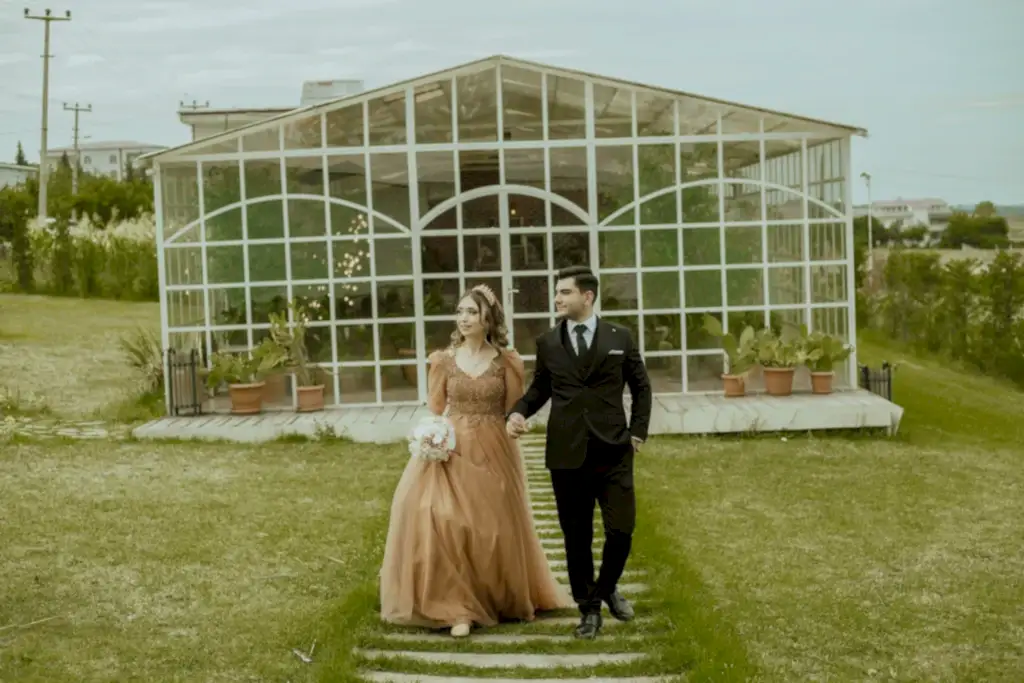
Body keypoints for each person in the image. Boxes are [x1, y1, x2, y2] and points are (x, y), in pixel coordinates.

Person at [379, 284, 572, 638]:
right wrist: (432, 436)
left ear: (488, 319)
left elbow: (514, 408)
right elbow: (436, 407)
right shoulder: (443, 361)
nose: (464, 318)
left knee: (491, 527)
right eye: (460, 312)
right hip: (452, 447)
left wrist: (517, 423)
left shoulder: (507, 361)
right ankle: (457, 608)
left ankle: (492, 596)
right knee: (442, 519)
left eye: (471, 312)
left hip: (495, 447)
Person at [506, 265, 653, 640]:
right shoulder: (548, 342)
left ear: (587, 296)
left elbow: (641, 387)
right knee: (576, 538)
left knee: (621, 530)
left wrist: (637, 432)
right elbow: (540, 389)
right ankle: (589, 610)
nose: (557, 298)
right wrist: (518, 412)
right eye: (557, 292)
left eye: (564, 292)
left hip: (614, 451)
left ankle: (606, 588)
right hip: (567, 454)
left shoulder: (620, 337)